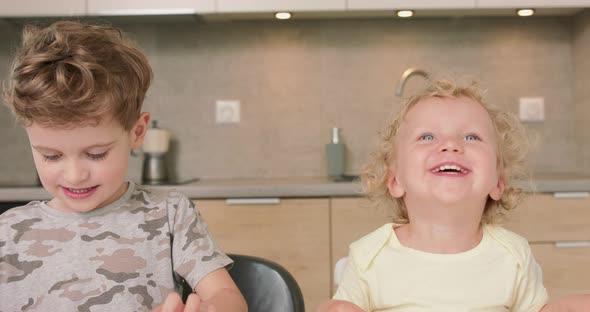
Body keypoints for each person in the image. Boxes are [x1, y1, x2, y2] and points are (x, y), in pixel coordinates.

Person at [0, 21, 247, 312]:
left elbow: (227, 297)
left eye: (96, 154)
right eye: (51, 156)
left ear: (137, 132)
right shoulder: (9, 233)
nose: (75, 175)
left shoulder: (169, 215)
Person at [317, 80, 590, 312]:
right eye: (427, 137)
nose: (450, 145)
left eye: (471, 137)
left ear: (498, 182)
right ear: (395, 180)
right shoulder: (368, 256)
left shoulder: (513, 255)